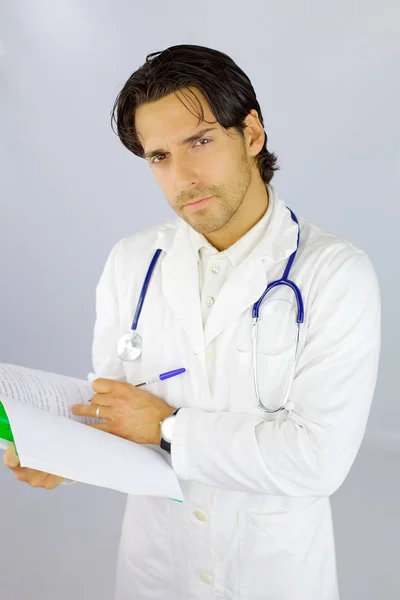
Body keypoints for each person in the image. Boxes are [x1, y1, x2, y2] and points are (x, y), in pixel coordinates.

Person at [4, 44, 381, 599]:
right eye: (159, 157)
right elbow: (117, 409)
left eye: (199, 142)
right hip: (156, 568)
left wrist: (168, 426)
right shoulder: (132, 263)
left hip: (271, 573)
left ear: (252, 135)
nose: (182, 177)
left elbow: (316, 461)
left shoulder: (335, 273)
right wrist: (65, 456)